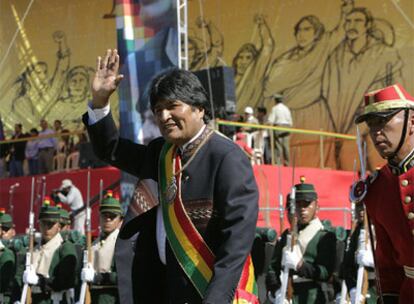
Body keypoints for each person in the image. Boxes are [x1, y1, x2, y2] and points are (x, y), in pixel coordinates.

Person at [83, 49, 259, 303]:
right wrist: (99, 102)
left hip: (207, 292)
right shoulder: (161, 154)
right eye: (158, 110)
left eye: (173, 106)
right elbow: (110, 150)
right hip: (162, 288)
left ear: (199, 109)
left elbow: (236, 243)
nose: (164, 116)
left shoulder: (227, 158)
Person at [353, 83, 414, 303]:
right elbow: (387, 262)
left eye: (384, 121)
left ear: (412, 122)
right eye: (372, 125)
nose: (376, 132)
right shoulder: (378, 188)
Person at [321, 7, 403, 168]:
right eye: (348, 21)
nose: (352, 25)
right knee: (349, 158)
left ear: (367, 25)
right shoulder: (336, 57)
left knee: (371, 160)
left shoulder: (384, 53)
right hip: (345, 120)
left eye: (358, 21)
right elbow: (327, 89)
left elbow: (394, 88)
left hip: (378, 116)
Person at [265, 177, 336, 303]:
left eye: (307, 204)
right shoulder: (288, 234)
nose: (302, 209)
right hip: (286, 295)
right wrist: (277, 292)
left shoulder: (324, 236)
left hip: (311, 296)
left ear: (316, 206)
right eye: (298, 204)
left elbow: (325, 272)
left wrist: (300, 265)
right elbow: (272, 269)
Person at [22, 200, 77, 303]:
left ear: (59, 226)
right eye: (44, 223)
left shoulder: (64, 247)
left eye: (50, 224)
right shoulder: (33, 248)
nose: (47, 228)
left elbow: (65, 280)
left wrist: (40, 281)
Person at [81, 192, 123, 303]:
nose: (108, 220)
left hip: (112, 298)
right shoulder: (92, 244)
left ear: (120, 220)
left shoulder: (122, 244)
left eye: (112, 217)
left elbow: (125, 276)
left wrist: (100, 277)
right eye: (105, 216)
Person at [234, 14, 274, 113]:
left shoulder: (254, 75)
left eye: (248, 58)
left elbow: (267, 47)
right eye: (241, 57)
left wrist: (262, 26)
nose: (243, 62)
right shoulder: (232, 80)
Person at [342, 202, 377, 304]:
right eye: (358, 206)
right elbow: (347, 267)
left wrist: (374, 261)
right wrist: (352, 289)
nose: (361, 210)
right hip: (358, 290)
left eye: (364, 206)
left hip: (378, 290)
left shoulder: (382, 228)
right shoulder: (355, 232)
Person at [267, 94, 293, 166]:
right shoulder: (286, 108)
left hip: (278, 127)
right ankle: (287, 163)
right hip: (287, 127)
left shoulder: (275, 108)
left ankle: (278, 163)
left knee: (278, 146)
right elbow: (290, 121)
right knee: (286, 146)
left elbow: (270, 120)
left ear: (275, 101)